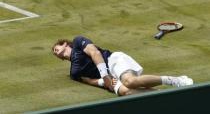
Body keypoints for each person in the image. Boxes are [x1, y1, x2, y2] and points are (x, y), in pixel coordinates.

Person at [52, 36, 193, 96]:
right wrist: (105, 83)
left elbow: (95, 53)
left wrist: (105, 75)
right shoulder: (74, 72)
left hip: (113, 61)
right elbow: (89, 81)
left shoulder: (77, 42)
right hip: (109, 79)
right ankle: (163, 96)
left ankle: (176, 80)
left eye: (56, 49)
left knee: (130, 81)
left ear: (65, 44)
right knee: (126, 91)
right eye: (54, 53)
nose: (56, 52)